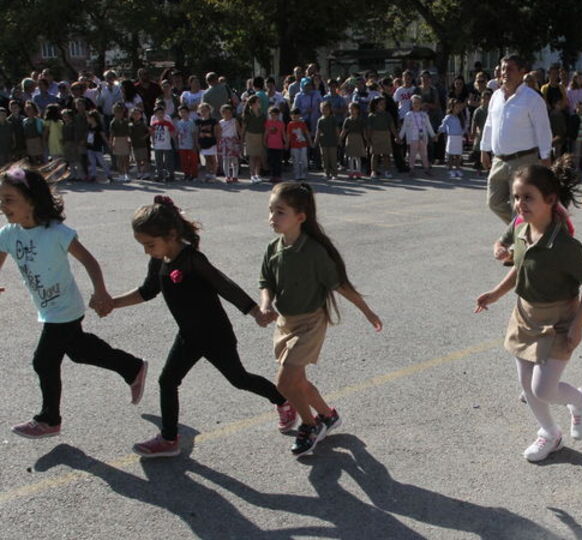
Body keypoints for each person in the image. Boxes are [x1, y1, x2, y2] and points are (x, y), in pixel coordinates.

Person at [105, 196, 291, 457]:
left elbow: (224, 285)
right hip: (189, 336)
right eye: (143, 246)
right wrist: (113, 303)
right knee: (167, 381)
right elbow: (147, 291)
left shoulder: (192, 259)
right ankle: (169, 439)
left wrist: (254, 312)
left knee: (239, 379)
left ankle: (283, 401)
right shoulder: (159, 259)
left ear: (171, 235)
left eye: (150, 244)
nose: (147, 251)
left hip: (215, 335)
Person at [0, 165, 148, 439]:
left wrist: (101, 292)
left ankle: (49, 420)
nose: (3, 205)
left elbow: (89, 261)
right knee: (79, 351)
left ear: (31, 200)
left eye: (9, 199)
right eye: (1, 199)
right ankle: (132, 367)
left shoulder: (56, 232)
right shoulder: (9, 234)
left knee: (43, 361)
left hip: (65, 308)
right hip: (47, 308)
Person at [474, 158, 582, 462]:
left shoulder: (563, 245)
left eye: (528, 197)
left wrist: (578, 325)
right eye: (516, 197)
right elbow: (519, 269)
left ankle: (581, 401)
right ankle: (550, 433)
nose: (520, 204)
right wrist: (495, 293)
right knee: (527, 386)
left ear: (550, 200)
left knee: (543, 389)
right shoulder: (521, 230)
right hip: (525, 316)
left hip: (558, 322)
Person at [260, 182, 382, 456]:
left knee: (284, 383)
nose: (272, 217)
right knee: (298, 382)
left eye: (280, 212)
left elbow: (340, 285)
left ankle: (310, 424)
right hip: (285, 323)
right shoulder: (273, 249)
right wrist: (266, 305)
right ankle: (328, 415)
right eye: (270, 210)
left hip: (310, 323)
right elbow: (266, 282)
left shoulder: (314, 252)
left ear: (300, 217)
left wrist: (367, 311)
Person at [480, 55, 553, 224]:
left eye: (510, 69)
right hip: (499, 160)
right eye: (503, 69)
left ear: (522, 72)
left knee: (519, 206)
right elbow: (489, 124)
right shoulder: (496, 96)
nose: (505, 73)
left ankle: (520, 236)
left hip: (523, 160)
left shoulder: (532, 98)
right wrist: (484, 149)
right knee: (494, 202)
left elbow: (543, 130)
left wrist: (546, 158)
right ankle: (524, 227)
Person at [398, 95, 436, 176]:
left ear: (421, 104)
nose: (416, 104)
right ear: (411, 104)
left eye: (418, 103)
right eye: (414, 103)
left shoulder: (424, 115)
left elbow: (428, 126)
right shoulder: (408, 115)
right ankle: (411, 169)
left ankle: (427, 168)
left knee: (424, 154)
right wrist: (400, 137)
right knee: (412, 154)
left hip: (422, 137)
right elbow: (404, 127)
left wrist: (433, 135)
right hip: (413, 138)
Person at [366, 97, 396, 179]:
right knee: (375, 154)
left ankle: (387, 170)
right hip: (375, 136)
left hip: (385, 135)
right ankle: (373, 171)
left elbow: (392, 126)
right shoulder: (371, 116)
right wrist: (368, 139)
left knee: (386, 154)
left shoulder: (387, 115)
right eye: (381, 104)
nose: (383, 105)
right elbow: (369, 129)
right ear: (376, 105)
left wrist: (396, 136)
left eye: (384, 104)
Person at [438, 98, 465, 179]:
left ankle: (457, 168)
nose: (458, 109)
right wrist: (437, 134)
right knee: (450, 154)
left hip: (458, 137)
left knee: (458, 154)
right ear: (451, 107)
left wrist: (464, 134)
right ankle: (450, 169)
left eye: (459, 107)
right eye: (456, 107)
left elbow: (463, 127)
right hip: (451, 137)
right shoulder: (448, 117)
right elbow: (443, 126)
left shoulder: (460, 117)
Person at [149, 106, 177, 182]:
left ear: (164, 114)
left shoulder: (168, 123)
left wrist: (175, 141)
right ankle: (159, 174)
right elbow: (152, 133)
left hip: (166, 145)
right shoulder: (154, 124)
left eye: (161, 113)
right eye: (158, 113)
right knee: (158, 161)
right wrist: (153, 141)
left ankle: (170, 174)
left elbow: (172, 132)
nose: (160, 115)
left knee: (168, 161)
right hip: (157, 145)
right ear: (155, 115)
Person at [314, 102, 339, 179]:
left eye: (326, 109)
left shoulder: (333, 119)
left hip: (332, 142)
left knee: (333, 158)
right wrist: (316, 141)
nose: (325, 111)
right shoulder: (320, 120)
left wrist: (339, 139)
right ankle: (326, 173)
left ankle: (334, 173)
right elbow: (318, 132)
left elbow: (337, 130)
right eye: (323, 109)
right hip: (323, 143)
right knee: (324, 158)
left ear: (330, 110)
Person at [341, 102, 366, 179]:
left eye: (353, 109)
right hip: (350, 138)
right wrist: (340, 139)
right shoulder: (347, 120)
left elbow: (364, 131)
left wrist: (367, 140)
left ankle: (358, 172)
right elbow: (344, 131)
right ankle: (351, 172)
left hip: (358, 138)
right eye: (349, 109)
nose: (351, 110)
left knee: (358, 156)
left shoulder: (360, 120)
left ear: (357, 110)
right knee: (350, 156)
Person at [218, 104, 241, 183]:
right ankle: (227, 176)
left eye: (229, 113)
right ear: (222, 113)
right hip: (225, 142)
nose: (227, 115)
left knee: (235, 159)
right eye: (225, 113)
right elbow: (219, 133)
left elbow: (239, 131)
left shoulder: (234, 121)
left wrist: (241, 140)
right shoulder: (220, 122)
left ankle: (235, 176)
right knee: (226, 160)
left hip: (233, 141)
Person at [195, 102, 218, 182]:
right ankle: (208, 173)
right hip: (203, 142)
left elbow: (216, 132)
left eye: (205, 110)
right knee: (206, 158)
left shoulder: (213, 121)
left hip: (211, 142)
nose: (204, 112)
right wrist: (197, 143)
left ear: (209, 110)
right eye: (202, 111)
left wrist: (217, 141)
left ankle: (214, 174)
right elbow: (197, 132)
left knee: (213, 158)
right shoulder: (198, 121)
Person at [175, 104, 198, 182]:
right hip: (182, 145)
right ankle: (186, 174)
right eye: (181, 112)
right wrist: (177, 144)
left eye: (184, 112)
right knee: (184, 161)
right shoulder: (178, 123)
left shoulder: (191, 122)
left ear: (188, 113)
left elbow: (194, 134)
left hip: (190, 144)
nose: (183, 114)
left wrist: (195, 144)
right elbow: (177, 134)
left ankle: (194, 175)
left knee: (192, 161)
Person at [85, 111, 110, 182]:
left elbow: (103, 136)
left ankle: (108, 174)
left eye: (88, 118)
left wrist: (108, 143)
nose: (87, 119)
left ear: (93, 118)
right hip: (90, 146)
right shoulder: (89, 126)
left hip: (97, 146)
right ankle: (94, 175)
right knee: (92, 161)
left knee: (101, 161)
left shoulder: (99, 127)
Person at [109, 104, 132, 183]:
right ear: (114, 112)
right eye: (116, 112)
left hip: (125, 139)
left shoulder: (126, 121)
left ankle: (127, 174)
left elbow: (129, 132)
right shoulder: (113, 122)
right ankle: (121, 174)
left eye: (120, 112)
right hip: (117, 140)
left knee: (126, 158)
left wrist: (129, 141)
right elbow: (111, 134)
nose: (118, 114)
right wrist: (111, 143)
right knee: (119, 159)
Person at [286, 108, 310, 181]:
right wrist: (287, 144)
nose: (295, 118)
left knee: (303, 159)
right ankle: (297, 174)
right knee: (295, 160)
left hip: (303, 144)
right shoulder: (290, 124)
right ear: (290, 116)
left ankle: (303, 173)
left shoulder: (302, 123)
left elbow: (307, 133)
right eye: (293, 116)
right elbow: (288, 136)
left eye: (296, 116)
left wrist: (310, 142)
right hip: (294, 146)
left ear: (299, 115)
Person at [264, 106, 286, 183]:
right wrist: (264, 141)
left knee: (278, 162)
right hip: (270, 145)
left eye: (275, 115)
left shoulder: (281, 123)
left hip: (279, 145)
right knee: (271, 161)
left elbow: (283, 134)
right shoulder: (268, 123)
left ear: (278, 115)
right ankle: (273, 176)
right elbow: (266, 133)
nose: (273, 116)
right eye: (272, 115)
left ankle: (278, 176)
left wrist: (286, 142)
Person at [129, 108, 151, 180]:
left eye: (138, 114)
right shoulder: (130, 125)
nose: (136, 115)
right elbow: (128, 133)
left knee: (144, 159)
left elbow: (149, 131)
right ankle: (139, 172)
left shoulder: (143, 124)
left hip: (142, 145)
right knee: (137, 160)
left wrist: (145, 137)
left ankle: (146, 173)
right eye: (134, 114)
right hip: (134, 145)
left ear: (141, 115)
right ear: (131, 115)